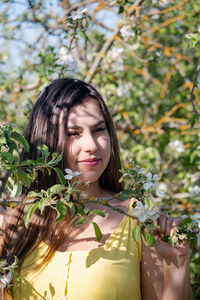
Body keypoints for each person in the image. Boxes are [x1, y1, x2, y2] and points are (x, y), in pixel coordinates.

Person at [0, 78, 193, 300]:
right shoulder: (14, 223)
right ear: (46, 140)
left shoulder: (138, 217)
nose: (91, 145)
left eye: (99, 130)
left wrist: (177, 264)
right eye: (74, 133)